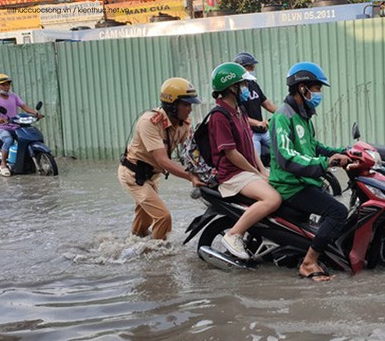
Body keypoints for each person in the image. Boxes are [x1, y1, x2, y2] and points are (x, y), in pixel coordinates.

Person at [269, 62, 350, 282]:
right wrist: (326, 163)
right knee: (338, 212)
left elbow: (314, 146)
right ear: (302, 88)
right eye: (316, 88)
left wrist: (343, 152)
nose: (318, 94)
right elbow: (286, 157)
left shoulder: (303, 115)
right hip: (291, 185)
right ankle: (308, 263)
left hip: (304, 181)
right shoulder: (282, 117)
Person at [209, 62, 282, 260]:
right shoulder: (219, 116)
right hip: (233, 175)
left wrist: (262, 170)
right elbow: (232, 154)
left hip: (247, 170)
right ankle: (233, 235)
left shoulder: (239, 111)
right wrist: (255, 173)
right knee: (272, 199)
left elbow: (250, 147)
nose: (246, 89)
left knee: (281, 183)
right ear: (231, 88)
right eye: (242, 85)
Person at [118, 77, 204, 240]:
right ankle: (156, 257)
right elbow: (162, 160)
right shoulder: (149, 122)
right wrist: (190, 176)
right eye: (186, 104)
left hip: (151, 175)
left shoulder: (183, 123)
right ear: (172, 105)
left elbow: (192, 152)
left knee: (143, 224)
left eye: (190, 104)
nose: (190, 109)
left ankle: (131, 248)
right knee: (163, 217)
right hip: (133, 174)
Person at [0, 74, 42, 177]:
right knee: (8, 140)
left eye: (8, 84)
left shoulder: (13, 96)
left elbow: (24, 106)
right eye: (3, 85)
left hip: (15, 126)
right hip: (2, 127)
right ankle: (3, 164)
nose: (7, 86)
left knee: (26, 138)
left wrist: (35, 114)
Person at [233, 51, 278, 160]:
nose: (252, 71)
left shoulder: (253, 84)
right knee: (255, 160)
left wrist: (283, 112)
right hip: (250, 133)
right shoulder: (236, 90)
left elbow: (266, 103)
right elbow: (238, 115)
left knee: (281, 149)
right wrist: (258, 123)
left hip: (263, 130)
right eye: (250, 68)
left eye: (253, 68)